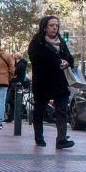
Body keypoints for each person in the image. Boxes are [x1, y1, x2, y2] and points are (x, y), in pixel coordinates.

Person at [27, 15, 75, 150]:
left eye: (56, 25)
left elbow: (70, 58)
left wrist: (67, 62)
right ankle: (39, 137)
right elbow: (37, 60)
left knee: (62, 110)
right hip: (43, 82)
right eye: (51, 25)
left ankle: (61, 139)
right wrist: (57, 62)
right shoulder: (37, 42)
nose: (55, 28)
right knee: (39, 110)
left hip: (60, 82)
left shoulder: (61, 41)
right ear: (44, 27)